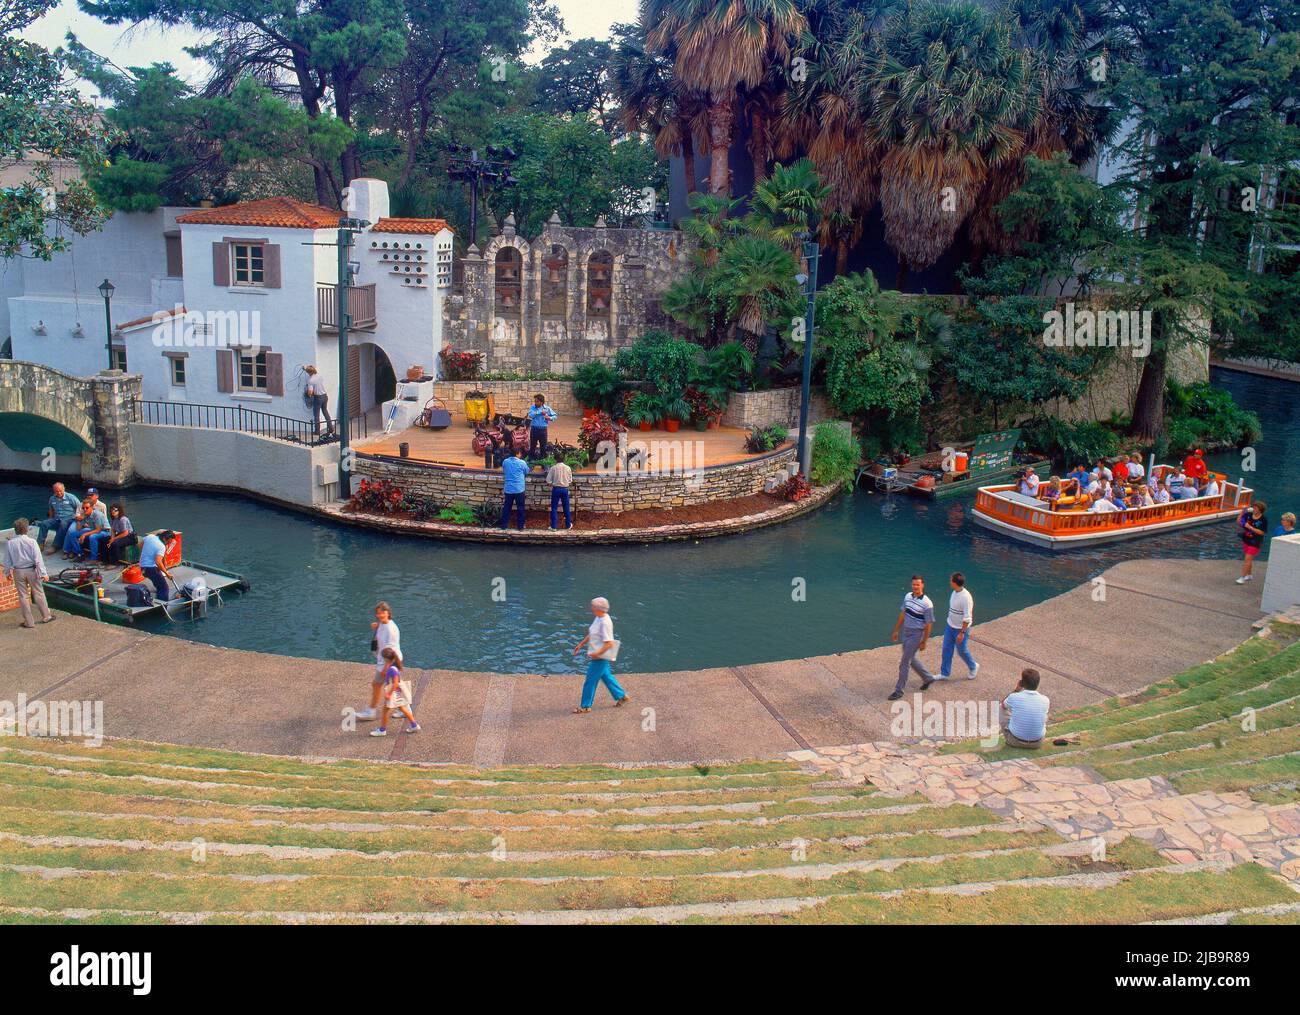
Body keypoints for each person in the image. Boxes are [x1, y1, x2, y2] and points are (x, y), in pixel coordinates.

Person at [572, 596, 628, 713]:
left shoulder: (605, 622)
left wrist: (596, 654)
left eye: (593, 606)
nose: (591, 608)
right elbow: (592, 633)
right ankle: (622, 696)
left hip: (600, 657)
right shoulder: (598, 617)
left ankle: (585, 706)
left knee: (590, 680)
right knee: (606, 677)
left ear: (598, 608)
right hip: (598, 655)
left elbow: (609, 644)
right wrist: (581, 644)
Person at [888, 575, 935, 701]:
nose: (915, 587)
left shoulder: (927, 604)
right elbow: (903, 613)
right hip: (906, 632)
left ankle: (899, 691)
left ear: (922, 585)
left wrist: (924, 641)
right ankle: (928, 677)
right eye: (914, 584)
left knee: (904, 663)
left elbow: (929, 624)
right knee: (911, 658)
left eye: (918, 585)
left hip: (916, 635)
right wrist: (896, 630)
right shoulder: (908, 597)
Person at [3, 518, 55, 628]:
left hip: (18, 571)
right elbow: (38, 559)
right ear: (26, 529)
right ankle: (46, 616)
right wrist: (43, 573)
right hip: (31, 570)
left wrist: (7, 572)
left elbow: (7, 560)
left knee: (23, 596)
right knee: (38, 592)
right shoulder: (32, 542)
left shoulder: (10, 543)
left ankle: (29, 622)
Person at [357, 602, 401, 722]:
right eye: (378, 613)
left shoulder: (391, 630)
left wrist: (386, 667)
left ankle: (371, 711)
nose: (379, 615)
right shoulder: (384, 623)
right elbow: (381, 627)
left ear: (388, 613)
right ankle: (403, 709)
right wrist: (377, 626)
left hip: (388, 662)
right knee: (394, 685)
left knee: (376, 684)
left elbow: (390, 650)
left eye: (382, 612)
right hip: (385, 661)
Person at [368, 647, 420, 737]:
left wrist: (389, 694)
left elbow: (395, 683)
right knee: (403, 708)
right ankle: (414, 725)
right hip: (397, 693)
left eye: (383, 658)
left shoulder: (392, 669)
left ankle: (382, 730)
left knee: (385, 711)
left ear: (386, 659)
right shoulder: (394, 665)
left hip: (394, 693)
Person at [937, 572, 978, 682]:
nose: (949, 582)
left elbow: (967, 618)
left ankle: (973, 666)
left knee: (962, 651)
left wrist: (962, 633)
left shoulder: (966, 598)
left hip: (960, 629)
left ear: (955, 583)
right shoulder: (954, 592)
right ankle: (944, 673)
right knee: (946, 649)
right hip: (950, 626)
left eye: (951, 580)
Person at [1002, 669, 1050, 749]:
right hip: (1037, 743)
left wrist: (1016, 690)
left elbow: (1003, 706)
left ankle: (1011, 734)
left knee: (1001, 709)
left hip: (1014, 741)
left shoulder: (1014, 697)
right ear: (1037, 684)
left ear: (1021, 683)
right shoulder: (1045, 700)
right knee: (1043, 715)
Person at [62, 490, 108, 561]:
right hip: (93, 529)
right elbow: (78, 529)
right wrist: (79, 520)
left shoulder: (97, 514)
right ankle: (80, 553)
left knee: (92, 537)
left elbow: (98, 530)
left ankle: (93, 558)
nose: (85, 509)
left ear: (92, 507)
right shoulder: (85, 514)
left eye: (87, 508)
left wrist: (84, 535)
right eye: (83, 508)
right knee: (72, 533)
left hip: (104, 531)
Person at [36, 482, 80, 554]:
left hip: (69, 519)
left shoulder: (71, 497)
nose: (59, 493)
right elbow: (51, 511)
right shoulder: (52, 499)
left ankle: (55, 546)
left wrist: (77, 519)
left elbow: (79, 508)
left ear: (64, 489)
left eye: (60, 491)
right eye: (56, 491)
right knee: (44, 523)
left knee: (63, 524)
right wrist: (50, 520)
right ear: (54, 491)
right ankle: (40, 543)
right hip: (57, 519)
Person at [137, 529, 175, 601]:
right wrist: (167, 573)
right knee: (164, 588)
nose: (168, 544)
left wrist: (148, 553)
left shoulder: (150, 537)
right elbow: (158, 562)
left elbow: (139, 544)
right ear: (165, 539)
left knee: (158, 580)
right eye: (168, 542)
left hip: (142, 567)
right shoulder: (161, 547)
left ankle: (158, 589)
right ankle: (162, 604)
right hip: (150, 569)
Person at [1237, 501, 1268, 584]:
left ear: (1260, 510)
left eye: (1256, 508)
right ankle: (1249, 575)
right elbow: (1240, 523)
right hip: (1247, 539)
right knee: (1248, 559)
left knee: (1247, 559)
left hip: (1255, 541)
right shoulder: (1249, 515)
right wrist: (1242, 513)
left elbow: (1262, 532)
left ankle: (1242, 577)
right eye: (1253, 507)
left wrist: (1251, 527)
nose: (1254, 509)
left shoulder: (1263, 520)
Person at [499, 447, 529, 530]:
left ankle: (504, 526)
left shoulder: (505, 462)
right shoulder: (522, 463)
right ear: (518, 453)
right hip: (519, 489)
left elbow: (505, 470)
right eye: (520, 453)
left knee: (507, 507)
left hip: (508, 489)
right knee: (520, 508)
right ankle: (520, 526)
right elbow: (527, 471)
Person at [303, 365, 334, 437]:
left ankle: (317, 431)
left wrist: (307, 393)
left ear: (309, 372)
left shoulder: (310, 380)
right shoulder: (319, 376)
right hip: (325, 396)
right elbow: (310, 371)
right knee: (325, 411)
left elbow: (310, 392)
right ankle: (331, 428)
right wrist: (304, 368)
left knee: (316, 414)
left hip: (318, 398)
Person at [526, 393, 557, 460]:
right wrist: (539, 412)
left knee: (543, 446)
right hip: (534, 429)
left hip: (543, 430)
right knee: (532, 445)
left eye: (537, 401)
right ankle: (531, 459)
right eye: (535, 401)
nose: (535, 403)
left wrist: (549, 418)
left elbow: (555, 416)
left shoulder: (547, 408)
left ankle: (543, 460)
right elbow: (530, 415)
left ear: (541, 402)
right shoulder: (533, 407)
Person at [547, 457, 573, 530]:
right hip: (565, 489)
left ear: (556, 460)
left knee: (554, 508)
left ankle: (553, 526)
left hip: (556, 489)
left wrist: (551, 483)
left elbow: (548, 480)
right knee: (566, 507)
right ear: (564, 460)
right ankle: (568, 525)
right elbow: (570, 480)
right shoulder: (568, 468)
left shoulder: (553, 468)